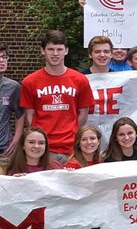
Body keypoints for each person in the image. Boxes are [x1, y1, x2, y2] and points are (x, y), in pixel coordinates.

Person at [18, 31, 92, 165]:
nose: (55, 53)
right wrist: (38, 141)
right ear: (42, 51)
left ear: (66, 51)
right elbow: (30, 117)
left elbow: (83, 113)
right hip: (42, 148)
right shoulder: (30, 81)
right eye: (51, 49)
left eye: (59, 49)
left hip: (72, 147)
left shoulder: (80, 80)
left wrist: (72, 133)